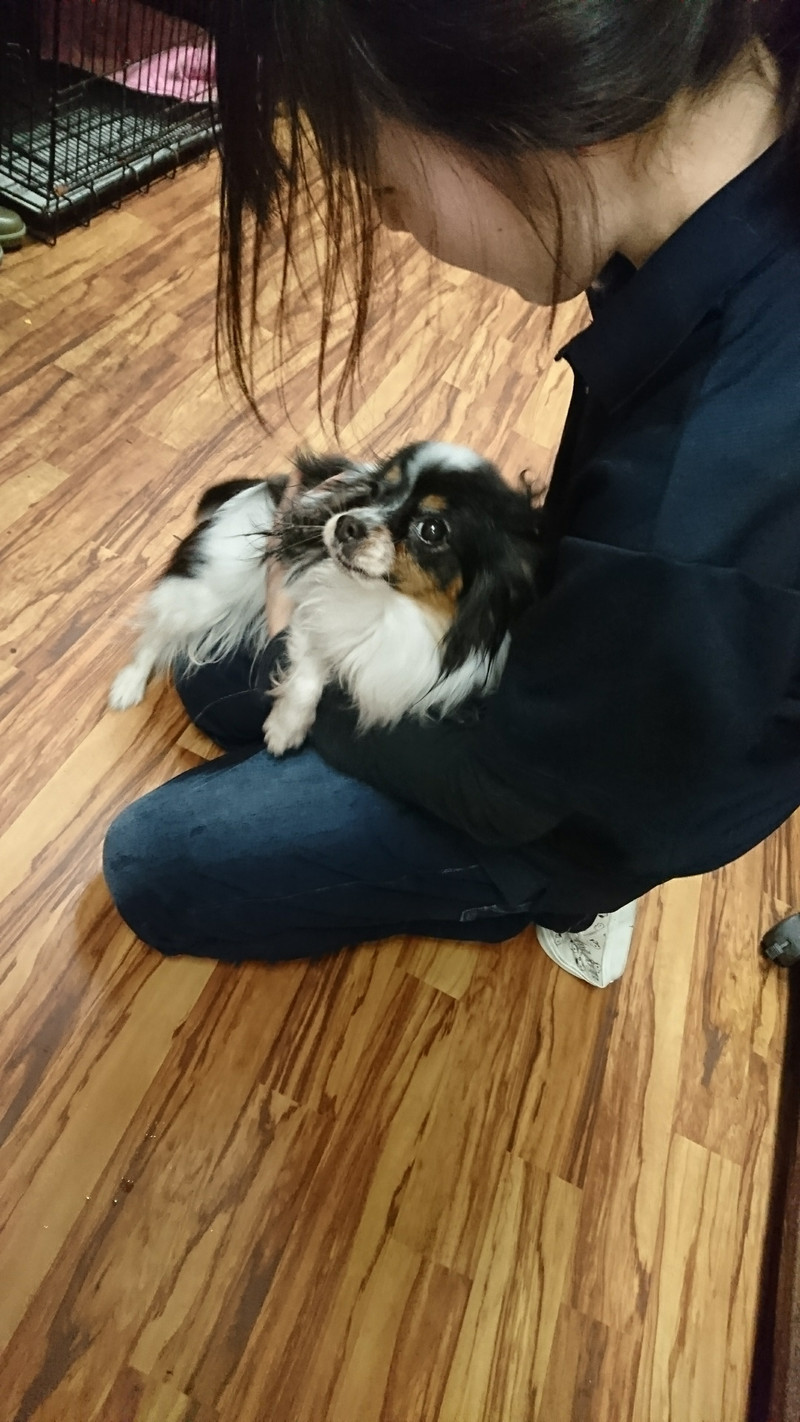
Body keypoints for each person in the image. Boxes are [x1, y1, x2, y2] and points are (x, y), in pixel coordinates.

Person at [103, 0, 800, 987]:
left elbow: (527, 786)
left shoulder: (695, 501)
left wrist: (322, 700)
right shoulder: (726, 161)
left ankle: (545, 899)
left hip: (572, 797)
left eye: (383, 185)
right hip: (601, 652)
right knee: (211, 667)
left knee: (154, 865)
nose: (387, 218)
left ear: (540, 96)